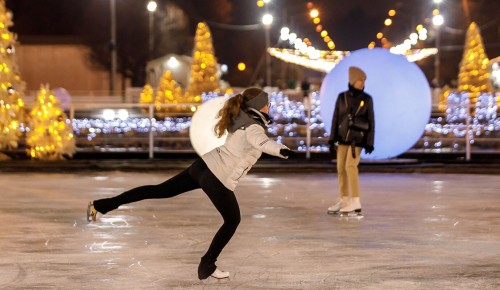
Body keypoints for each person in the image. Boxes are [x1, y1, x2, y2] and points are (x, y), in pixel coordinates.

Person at [86, 87, 295, 280]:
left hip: (202, 167)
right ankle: (207, 264)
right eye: (267, 103)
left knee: (159, 190)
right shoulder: (253, 127)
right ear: (258, 106)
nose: (269, 107)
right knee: (232, 220)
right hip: (217, 177)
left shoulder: (240, 119)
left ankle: (102, 205)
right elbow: (263, 142)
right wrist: (282, 150)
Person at [327, 66, 375, 216]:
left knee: (350, 167)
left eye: (364, 80)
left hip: (357, 140)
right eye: (360, 79)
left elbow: (371, 121)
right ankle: (344, 200)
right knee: (341, 169)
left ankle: (356, 200)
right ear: (352, 80)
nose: (362, 83)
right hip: (341, 139)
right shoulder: (342, 97)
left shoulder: (366, 99)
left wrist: (369, 142)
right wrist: (332, 139)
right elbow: (336, 118)